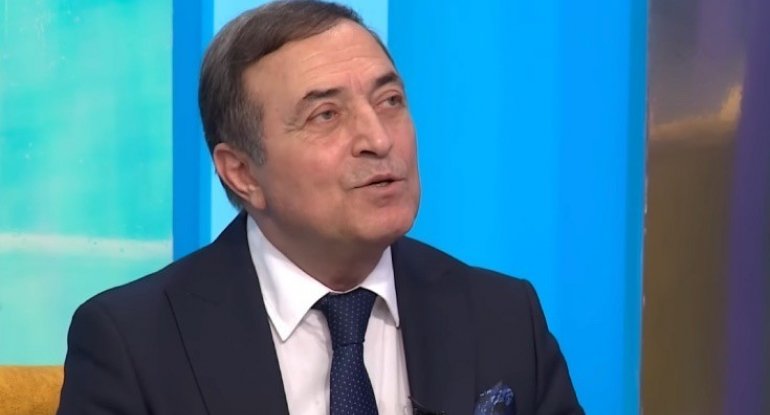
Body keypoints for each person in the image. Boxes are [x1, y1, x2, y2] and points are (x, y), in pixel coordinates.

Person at [57, 1, 583, 414]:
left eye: (390, 101)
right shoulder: (134, 344)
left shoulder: (502, 317)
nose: (378, 139)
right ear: (241, 173)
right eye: (326, 115)